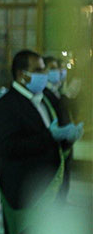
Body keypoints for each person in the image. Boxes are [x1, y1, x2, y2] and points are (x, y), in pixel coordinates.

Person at [0, 50, 83, 234]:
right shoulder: (6, 105)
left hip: (51, 191)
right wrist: (49, 136)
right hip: (26, 195)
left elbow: (52, 141)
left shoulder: (44, 100)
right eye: (39, 70)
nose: (45, 74)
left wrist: (67, 139)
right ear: (23, 74)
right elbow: (8, 148)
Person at [43, 55, 76, 199]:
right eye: (53, 68)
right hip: (54, 148)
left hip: (65, 146)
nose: (58, 72)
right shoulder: (44, 93)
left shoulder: (58, 91)